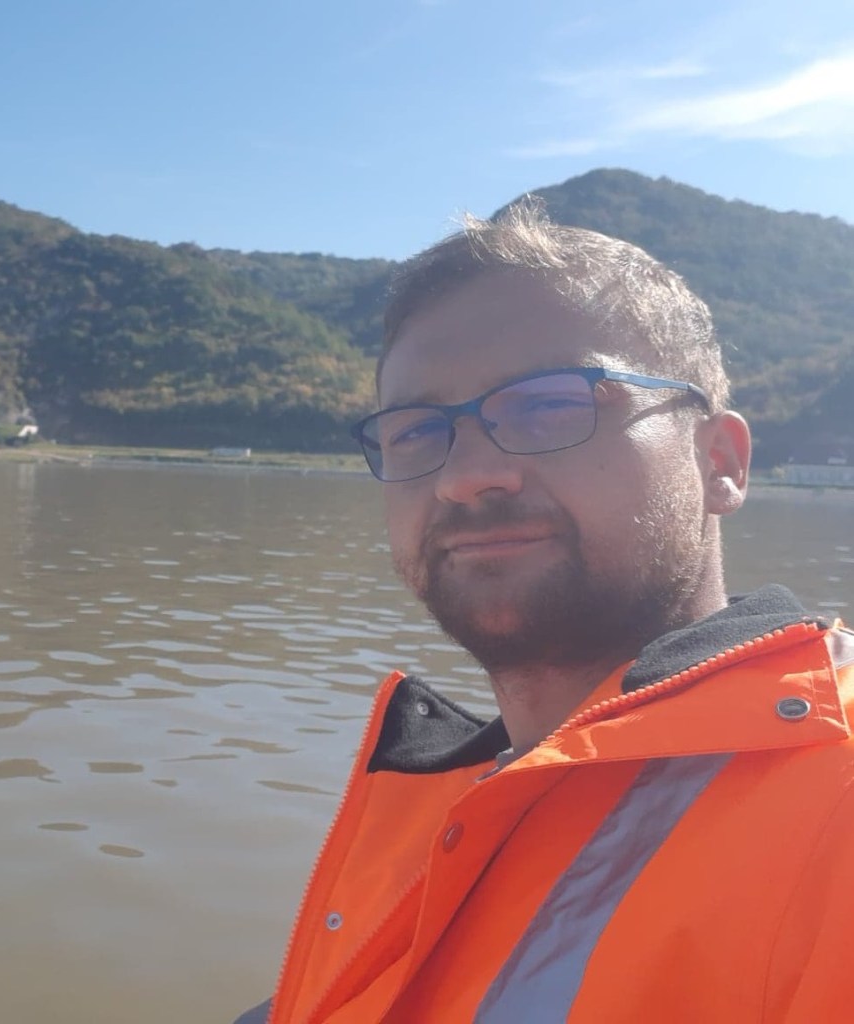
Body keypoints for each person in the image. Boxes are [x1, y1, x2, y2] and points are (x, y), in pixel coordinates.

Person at [234, 200, 854, 1023]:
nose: (464, 477)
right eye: (415, 432)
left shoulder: (831, 798)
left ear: (719, 463)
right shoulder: (436, 807)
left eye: (551, 406)